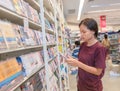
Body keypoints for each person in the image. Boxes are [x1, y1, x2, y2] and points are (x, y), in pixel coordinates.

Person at [65, 18, 107, 91]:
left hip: (92, 87)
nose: (81, 35)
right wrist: (73, 61)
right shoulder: (83, 45)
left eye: (84, 32)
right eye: (80, 32)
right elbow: (84, 61)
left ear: (93, 31)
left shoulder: (99, 48)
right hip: (81, 84)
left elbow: (98, 71)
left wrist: (78, 64)